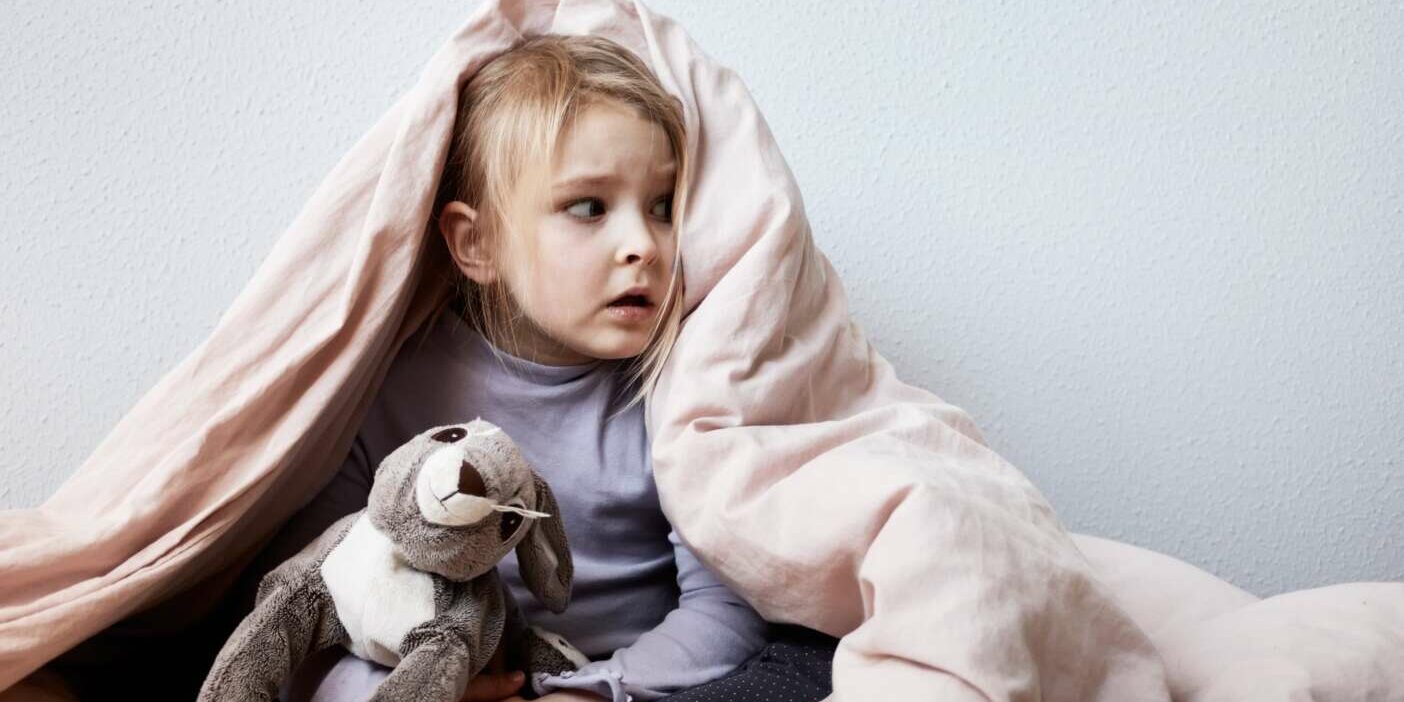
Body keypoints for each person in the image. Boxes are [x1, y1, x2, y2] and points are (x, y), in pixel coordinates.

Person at [238, 34, 840, 702]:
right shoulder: (393, 386)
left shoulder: (684, 383)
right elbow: (308, 601)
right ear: (478, 243)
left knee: (818, 658)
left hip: (637, 680)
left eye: (663, 207)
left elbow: (726, 612)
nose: (643, 244)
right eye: (589, 207)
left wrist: (590, 692)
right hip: (439, 673)